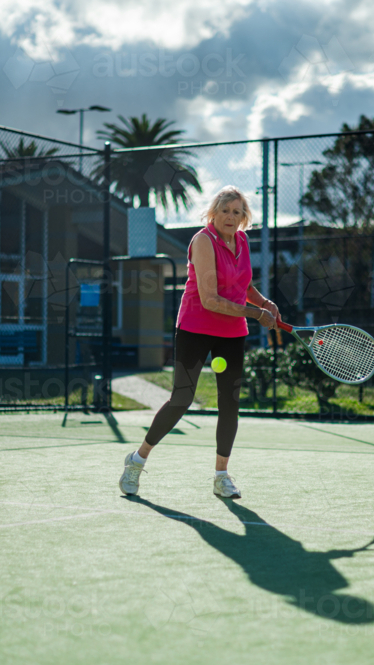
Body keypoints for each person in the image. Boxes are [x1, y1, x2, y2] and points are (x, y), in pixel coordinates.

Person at [119, 186, 280, 499]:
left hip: (233, 331)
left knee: (230, 403)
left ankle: (222, 476)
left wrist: (264, 302)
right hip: (196, 325)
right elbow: (210, 300)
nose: (230, 217)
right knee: (182, 398)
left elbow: (241, 285)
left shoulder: (243, 241)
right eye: (225, 211)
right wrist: (256, 313)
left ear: (244, 217)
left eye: (237, 212)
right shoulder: (203, 241)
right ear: (214, 213)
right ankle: (137, 461)